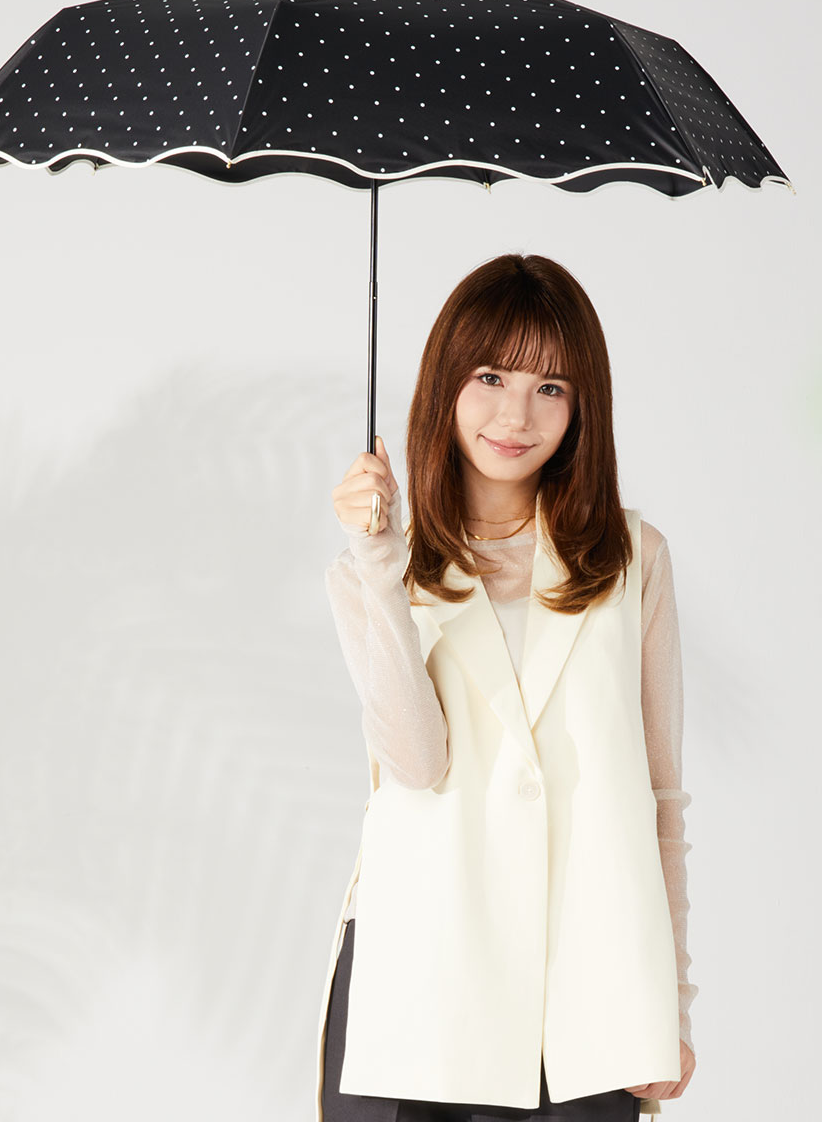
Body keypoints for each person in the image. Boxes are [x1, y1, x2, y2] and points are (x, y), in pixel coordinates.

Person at [315, 253, 698, 1122]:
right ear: (445, 382)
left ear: (583, 405)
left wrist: (671, 1003)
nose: (516, 416)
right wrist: (379, 567)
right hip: (418, 984)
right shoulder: (373, 572)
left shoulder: (634, 560)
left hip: (587, 989)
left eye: (550, 387)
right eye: (490, 377)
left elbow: (660, 794)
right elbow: (417, 764)